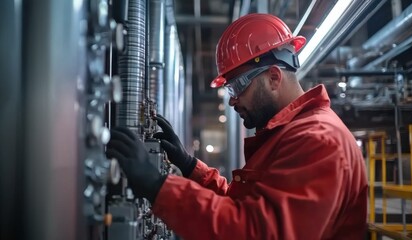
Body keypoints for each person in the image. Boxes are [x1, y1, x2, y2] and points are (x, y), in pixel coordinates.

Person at [106, 13, 368, 240]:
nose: (232, 100)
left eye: (237, 86)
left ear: (274, 78)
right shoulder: (290, 134)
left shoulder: (318, 140)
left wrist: (158, 187)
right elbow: (240, 205)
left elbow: (257, 233)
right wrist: (189, 166)